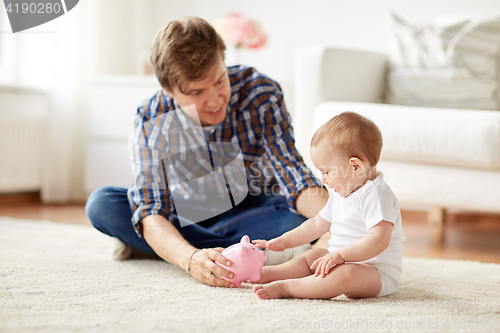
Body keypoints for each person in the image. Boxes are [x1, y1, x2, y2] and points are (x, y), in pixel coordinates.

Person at [85, 17, 330, 288]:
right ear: (168, 90)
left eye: (219, 80)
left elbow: (292, 175)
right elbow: (151, 207)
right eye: (197, 91)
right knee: (103, 204)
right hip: (185, 213)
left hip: (253, 210)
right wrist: (190, 259)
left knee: (297, 220)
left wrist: (337, 218)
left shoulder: (260, 92)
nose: (214, 100)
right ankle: (247, 254)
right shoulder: (152, 116)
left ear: (223, 61)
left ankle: (157, 247)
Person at [251, 111, 406, 299]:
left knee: (345, 275)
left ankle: (288, 288)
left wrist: (341, 256)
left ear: (355, 166)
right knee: (312, 257)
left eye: (326, 172)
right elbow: (316, 225)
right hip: (340, 259)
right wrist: (284, 241)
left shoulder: (377, 195)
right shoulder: (340, 194)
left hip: (374, 272)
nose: (322, 179)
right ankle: (268, 274)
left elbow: (379, 240)